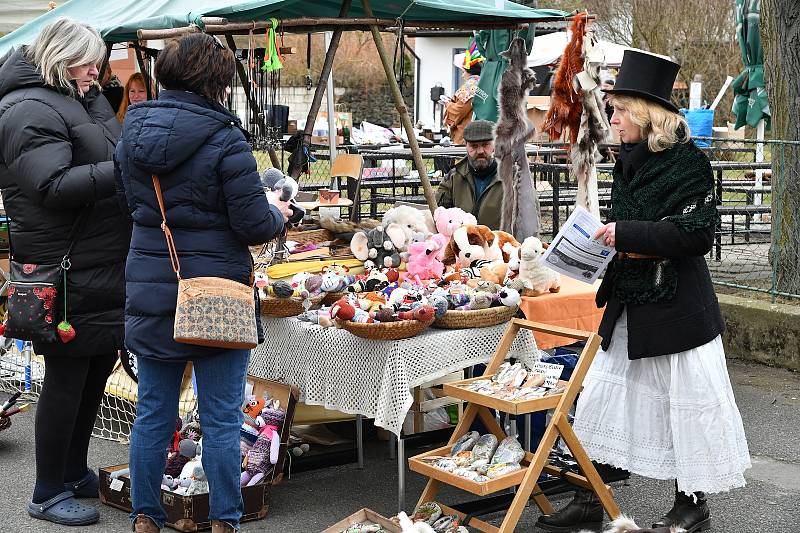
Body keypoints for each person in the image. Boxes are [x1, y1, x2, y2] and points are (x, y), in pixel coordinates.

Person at [536, 50, 750, 533]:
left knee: (683, 407)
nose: (612, 119)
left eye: (618, 110)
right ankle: (592, 494)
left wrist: (626, 235)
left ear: (644, 115)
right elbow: (623, 229)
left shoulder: (687, 163)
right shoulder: (627, 161)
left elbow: (696, 234)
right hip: (631, 301)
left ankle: (691, 506)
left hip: (678, 312)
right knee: (604, 401)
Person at [115, 33, 292, 533]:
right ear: (216, 81)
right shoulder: (225, 138)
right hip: (217, 292)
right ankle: (224, 521)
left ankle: (145, 517)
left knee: (153, 412)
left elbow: (127, 205)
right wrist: (278, 212)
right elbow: (253, 224)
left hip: (152, 285)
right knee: (219, 418)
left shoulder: (130, 134)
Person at [0, 18, 131, 526]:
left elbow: (111, 145)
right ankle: (45, 490)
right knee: (66, 376)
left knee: (95, 368)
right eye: (88, 61)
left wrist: (94, 93)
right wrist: (123, 170)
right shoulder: (26, 108)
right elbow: (51, 185)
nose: (96, 70)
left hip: (94, 261)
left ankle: (74, 470)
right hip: (64, 269)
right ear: (60, 56)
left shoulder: (72, 95)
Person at [435, 120, 502, 230]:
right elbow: (439, 216)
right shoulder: (453, 179)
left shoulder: (512, 179)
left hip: (500, 245)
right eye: (474, 146)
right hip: (461, 244)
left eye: (485, 145)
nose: (480, 151)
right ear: (466, 145)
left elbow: (528, 220)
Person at [442, 60, 482, 145]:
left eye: (463, 72)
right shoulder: (482, 84)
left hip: (466, 133)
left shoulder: (470, 86)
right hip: (480, 129)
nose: (462, 75)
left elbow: (459, 110)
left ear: (470, 72)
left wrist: (448, 104)